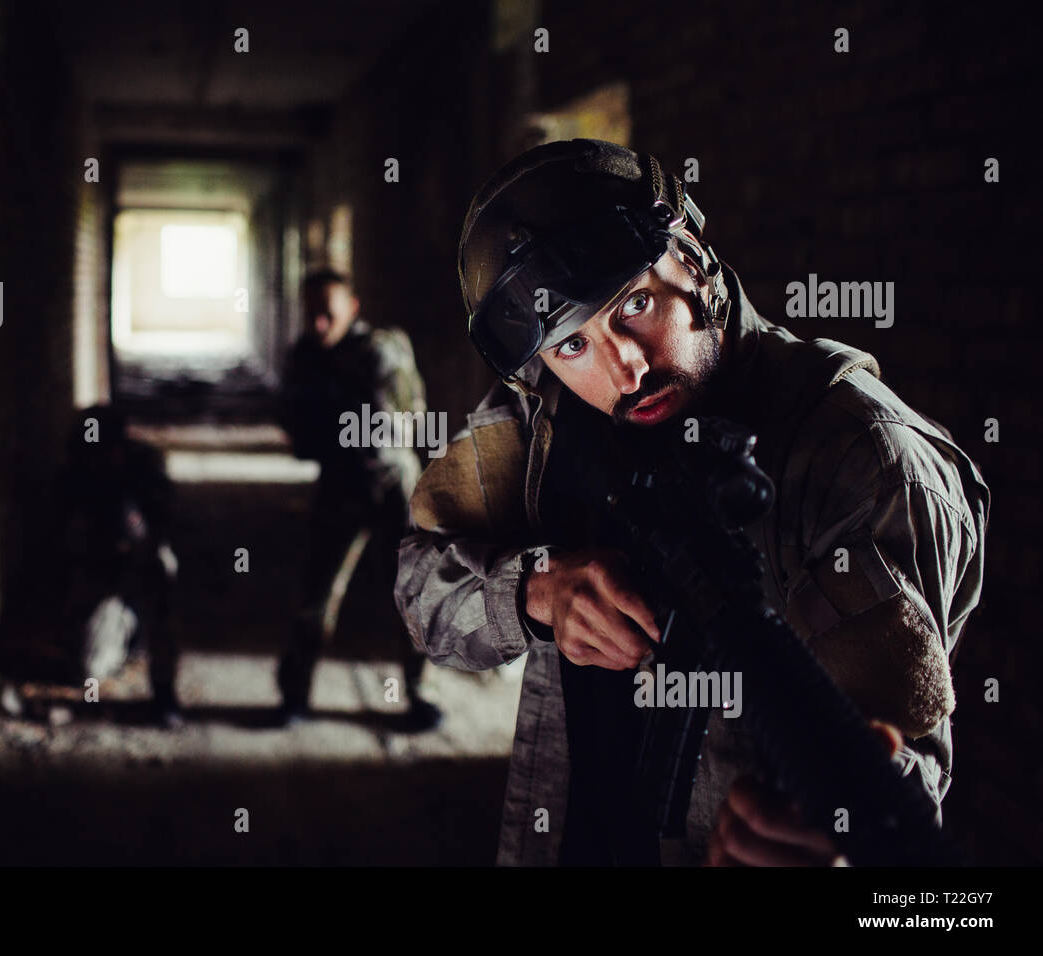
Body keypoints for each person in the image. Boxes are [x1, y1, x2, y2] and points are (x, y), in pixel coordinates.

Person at [394, 139, 989, 865]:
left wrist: (824, 840)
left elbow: (906, 766)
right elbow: (420, 590)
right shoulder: (546, 421)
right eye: (571, 345)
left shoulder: (864, 456)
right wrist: (535, 594)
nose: (626, 367)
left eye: (634, 305)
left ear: (693, 255)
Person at [275, 267, 440, 729]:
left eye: (327, 314)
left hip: (394, 483)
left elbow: (400, 420)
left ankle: (420, 692)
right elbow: (296, 432)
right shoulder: (304, 357)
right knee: (316, 591)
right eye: (310, 315)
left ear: (352, 308)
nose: (318, 325)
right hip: (341, 483)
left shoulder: (382, 350)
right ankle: (295, 694)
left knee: (413, 590)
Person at [60, 404, 182, 727]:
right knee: (88, 668)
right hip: (101, 561)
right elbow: (64, 536)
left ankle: (165, 693)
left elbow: (167, 525)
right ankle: (123, 626)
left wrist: (142, 546)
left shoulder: (145, 467)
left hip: (144, 557)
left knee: (161, 598)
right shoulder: (77, 476)